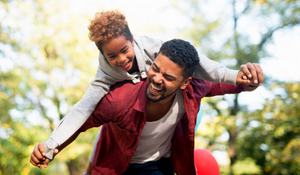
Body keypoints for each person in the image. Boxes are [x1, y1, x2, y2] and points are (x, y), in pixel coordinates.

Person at [30, 9, 262, 172]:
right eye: (112, 56)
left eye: (125, 50)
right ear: (102, 54)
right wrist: (51, 146)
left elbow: (205, 69)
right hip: (120, 160)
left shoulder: (156, 49)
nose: (121, 59)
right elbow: (82, 114)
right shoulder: (111, 89)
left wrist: (240, 78)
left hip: (157, 165)